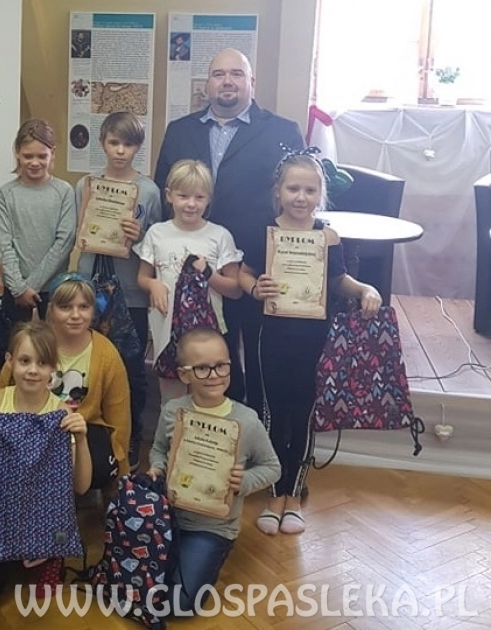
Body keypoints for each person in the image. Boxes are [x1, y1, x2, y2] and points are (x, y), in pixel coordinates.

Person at [239, 152, 382, 535]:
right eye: (293, 188)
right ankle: (274, 493)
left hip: (314, 339)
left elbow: (338, 280)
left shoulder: (327, 236)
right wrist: (254, 288)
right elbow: (244, 273)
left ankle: (294, 494)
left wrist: (365, 289)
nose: (300, 197)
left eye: (309, 190)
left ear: (321, 194)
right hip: (270, 336)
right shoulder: (264, 232)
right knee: (272, 414)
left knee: (303, 414)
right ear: (278, 191)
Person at [154, 47, 305, 410]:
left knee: (256, 356)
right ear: (206, 84)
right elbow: (163, 193)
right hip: (192, 271)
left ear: (252, 82)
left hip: (255, 266)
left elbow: (299, 197)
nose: (227, 81)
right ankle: (206, 428)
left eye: (237, 74)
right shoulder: (179, 131)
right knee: (202, 356)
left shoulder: (282, 131)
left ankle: (254, 428)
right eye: (219, 74)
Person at [147, 328, 280, 614]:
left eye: (221, 365)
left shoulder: (247, 420)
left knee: (179, 604)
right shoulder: (173, 411)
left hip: (213, 527)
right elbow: (158, 448)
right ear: (184, 375)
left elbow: (272, 467)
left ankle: (213, 553)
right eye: (202, 368)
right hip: (166, 515)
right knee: (136, 582)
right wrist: (157, 466)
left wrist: (245, 481)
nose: (214, 375)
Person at [0, 321, 91, 597]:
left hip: (44, 515)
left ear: (53, 368)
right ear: (10, 361)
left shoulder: (62, 413)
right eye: (24, 361)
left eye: (42, 363)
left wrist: (81, 440)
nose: (32, 370)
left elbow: (81, 486)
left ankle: (48, 555)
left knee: (45, 589)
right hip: (1, 514)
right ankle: (16, 555)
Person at [76, 111, 161, 471]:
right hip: (89, 286)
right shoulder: (85, 185)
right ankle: (90, 437)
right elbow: (77, 232)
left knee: (130, 371)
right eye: (114, 143)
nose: (121, 151)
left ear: (138, 147)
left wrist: (138, 237)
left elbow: (157, 246)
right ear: (103, 143)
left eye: (128, 144)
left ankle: (130, 440)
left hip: (130, 293)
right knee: (89, 364)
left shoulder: (150, 191)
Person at [0, 273, 130, 482]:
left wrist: (121, 472)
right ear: (51, 309)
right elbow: (2, 393)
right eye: (66, 307)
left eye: (83, 307)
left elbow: (119, 417)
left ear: (93, 310)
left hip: (81, 428)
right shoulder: (32, 342)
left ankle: (81, 489)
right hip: (31, 425)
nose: (75, 315)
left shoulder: (106, 354)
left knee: (99, 465)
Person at [135, 160, 242, 405]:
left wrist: (208, 274)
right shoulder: (156, 233)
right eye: (183, 196)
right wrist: (153, 285)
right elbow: (142, 277)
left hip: (208, 336)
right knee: (170, 401)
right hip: (166, 333)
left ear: (209, 199)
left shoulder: (220, 236)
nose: (191, 204)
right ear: (169, 195)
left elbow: (235, 289)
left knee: (207, 396)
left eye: (199, 197)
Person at [0, 119, 77, 322]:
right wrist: (19, 288)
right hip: (15, 290)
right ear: (17, 153)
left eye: (42, 156)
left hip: (54, 290)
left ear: (53, 153)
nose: (34, 162)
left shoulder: (64, 192)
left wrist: (31, 286)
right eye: (27, 156)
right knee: (16, 340)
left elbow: (64, 243)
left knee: (53, 341)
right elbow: (4, 245)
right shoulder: (6, 194)